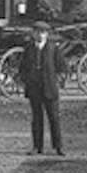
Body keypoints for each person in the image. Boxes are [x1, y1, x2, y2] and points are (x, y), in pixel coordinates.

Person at [18, 21, 65, 156]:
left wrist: (57, 81)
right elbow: (22, 68)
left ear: (47, 35)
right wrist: (26, 81)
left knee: (54, 118)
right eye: (37, 32)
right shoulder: (29, 49)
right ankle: (37, 146)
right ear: (33, 34)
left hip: (49, 88)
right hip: (34, 88)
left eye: (43, 32)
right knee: (36, 118)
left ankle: (58, 146)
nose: (40, 35)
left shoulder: (53, 49)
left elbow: (62, 68)